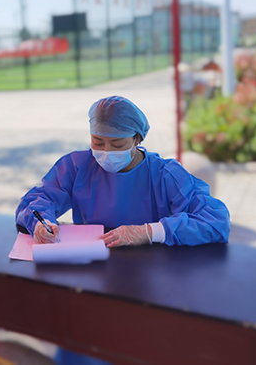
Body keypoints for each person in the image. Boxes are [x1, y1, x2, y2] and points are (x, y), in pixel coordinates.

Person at [15, 95, 231, 364]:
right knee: (79, 348)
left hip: (148, 286)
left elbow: (215, 219)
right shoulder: (76, 166)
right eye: (98, 141)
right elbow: (36, 201)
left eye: (117, 144)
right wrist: (40, 221)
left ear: (137, 139)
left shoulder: (165, 175)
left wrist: (150, 231)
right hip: (90, 280)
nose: (106, 152)